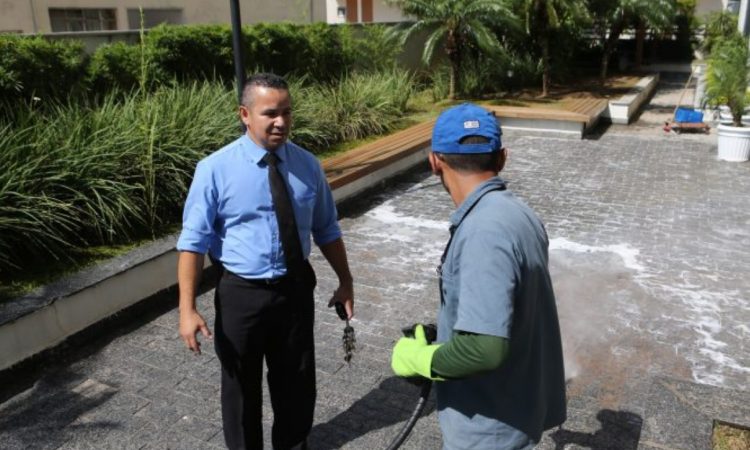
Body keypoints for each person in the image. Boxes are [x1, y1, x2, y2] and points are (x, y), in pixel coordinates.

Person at [176, 72, 354, 450]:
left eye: (287, 112)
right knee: (240, 387)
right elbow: (192, 242)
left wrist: (346, 280)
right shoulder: (215, 169)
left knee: (297, 381)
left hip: (294, 289)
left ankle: (292, 443)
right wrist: (187, 308)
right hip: (242, 293)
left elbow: (327, 228)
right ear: (245, 114)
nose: (281, 122)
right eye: (270, 113)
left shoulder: (307, 165)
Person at [391, 103, 566, 449]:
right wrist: (446, 332)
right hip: (517, 406)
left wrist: (420, 360)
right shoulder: (519, 214)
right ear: (502, 158)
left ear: (434, 162)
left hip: (489, 428)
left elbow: (485, 349)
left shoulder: (483, 232)